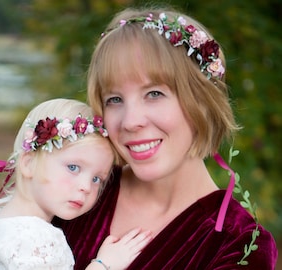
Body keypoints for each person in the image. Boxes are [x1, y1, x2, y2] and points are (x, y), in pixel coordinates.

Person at [53, 7, 278, 269]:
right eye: (114, 99)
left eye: (154, 94)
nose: (130, 121)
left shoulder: (239, 246)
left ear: (201, 101)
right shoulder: (73, 187)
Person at [0, 98, 152, 270]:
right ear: (28, 163)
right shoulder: (39, 241)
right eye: (73, 168)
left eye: (96, 179)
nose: (86, 187)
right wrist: (103, 264)